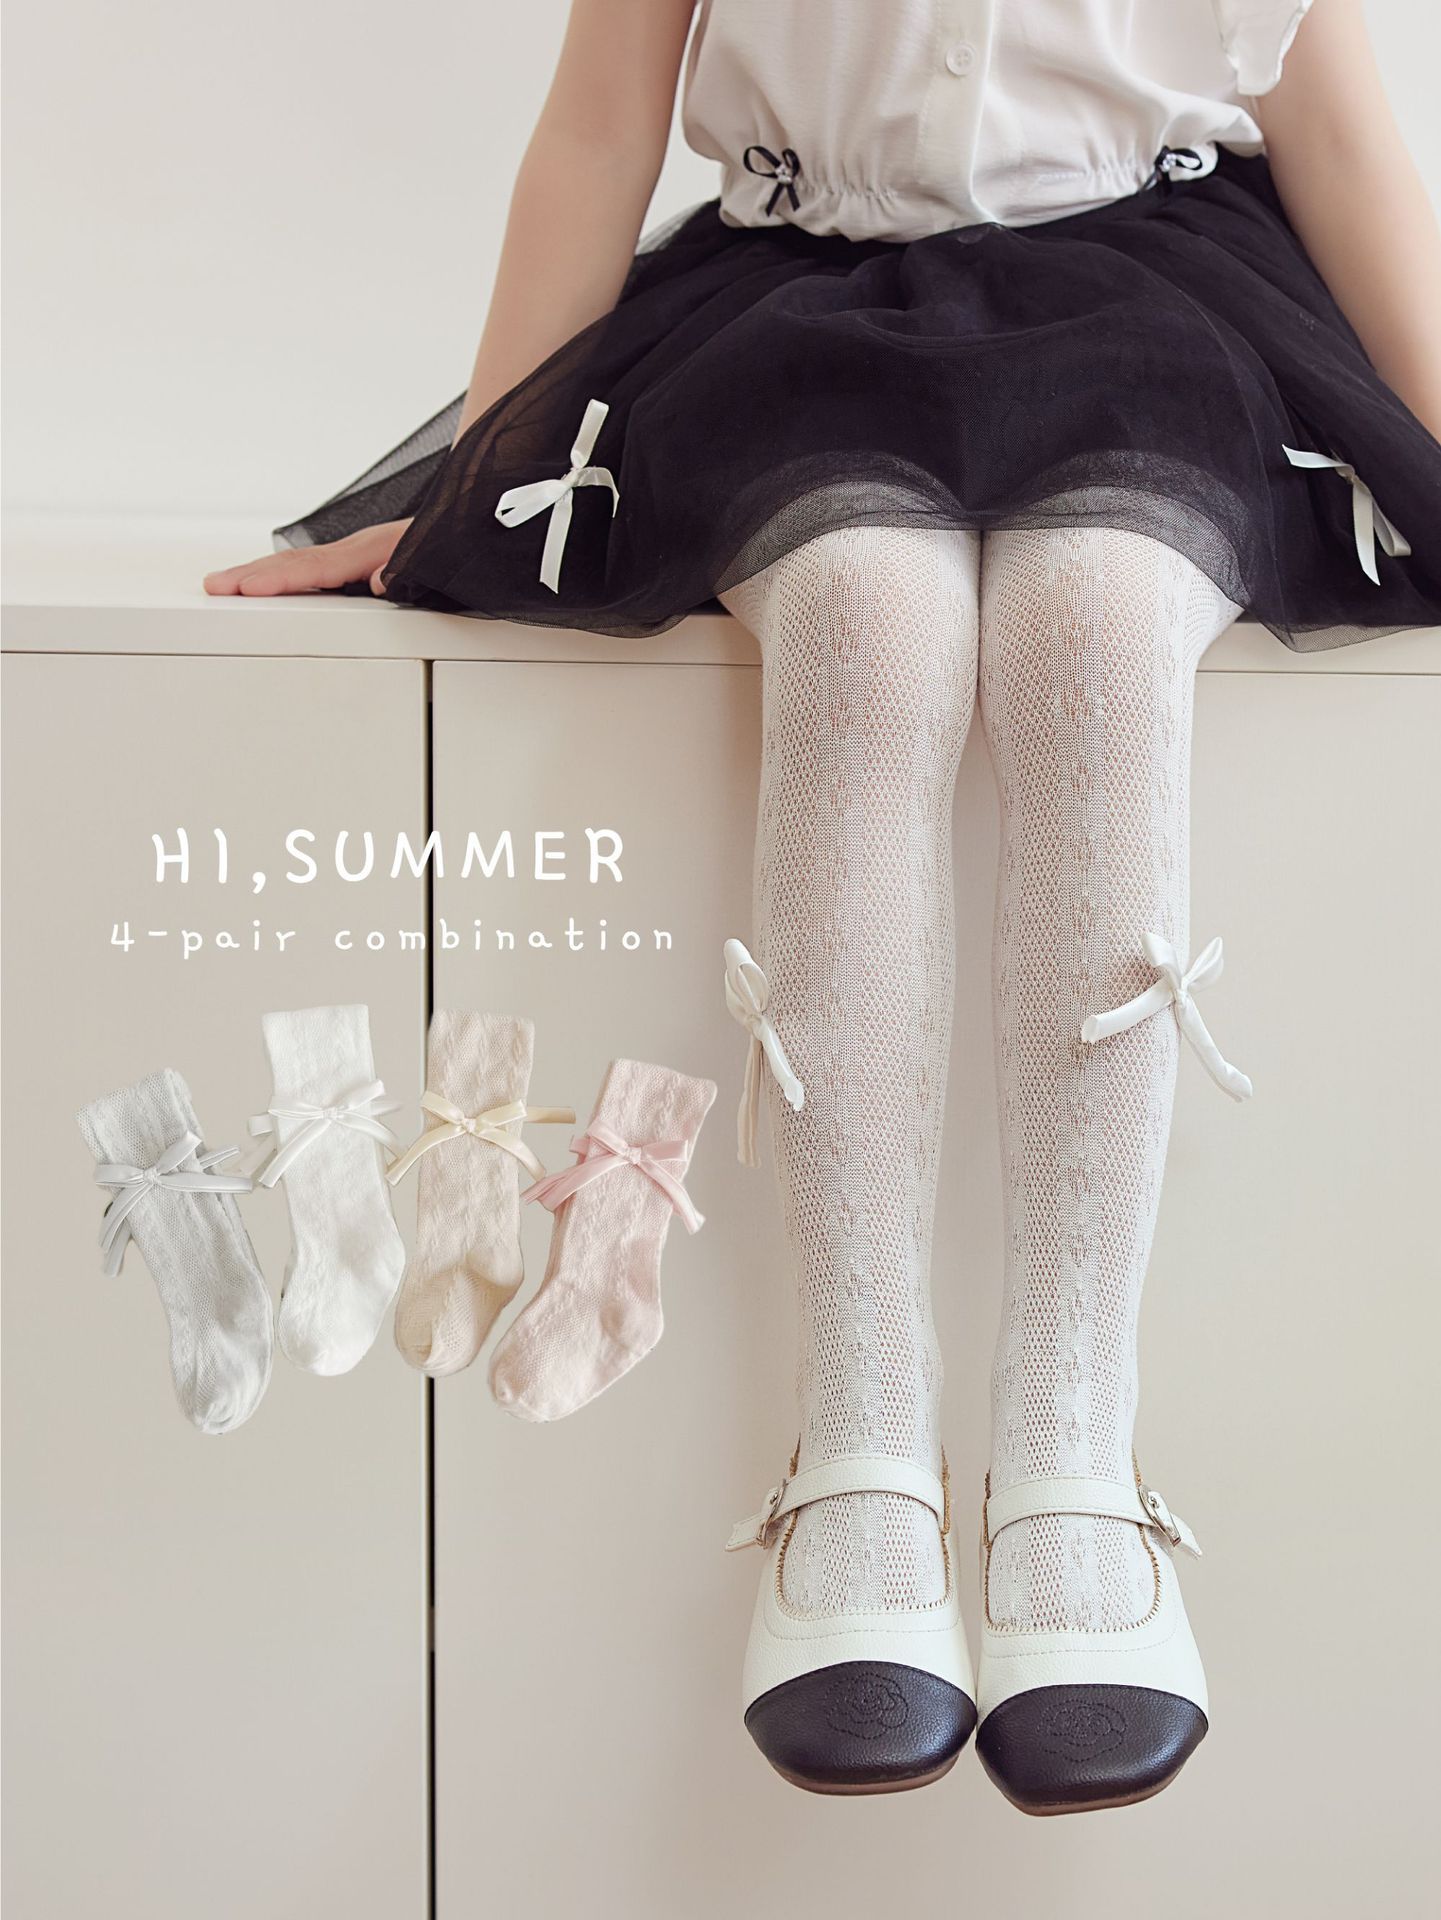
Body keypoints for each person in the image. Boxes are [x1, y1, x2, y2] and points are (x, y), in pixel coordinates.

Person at [206, 0, 1441, 1810]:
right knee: (864, 627)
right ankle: (854, 1451)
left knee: (1098, 635)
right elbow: (596, 128)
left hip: (1157, 307)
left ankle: (1072, 1459)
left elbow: (1341, 144)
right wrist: (481, 485)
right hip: (805, 313)